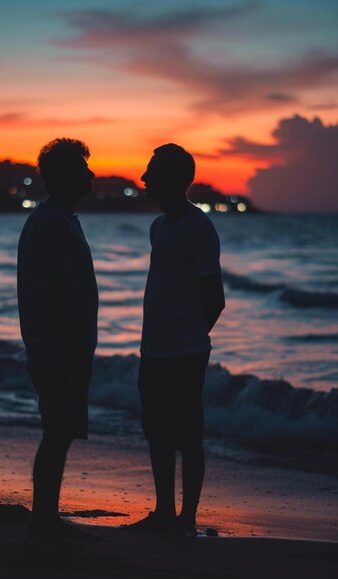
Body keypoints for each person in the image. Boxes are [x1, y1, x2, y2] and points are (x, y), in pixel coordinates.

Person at [129, 144, 225, 536]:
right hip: (153, 348)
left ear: (170, 178)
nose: (143, 178)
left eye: (150, 171)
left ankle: (187, 518)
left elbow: (214, 297)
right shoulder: (158, 227)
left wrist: (190, 334)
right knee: (157, 431)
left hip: (185, 350)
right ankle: (164, 511)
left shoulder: (198, 227)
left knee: (188, 433)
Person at [17, 138, 99, 547]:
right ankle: (43, 522)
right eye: (84, 169)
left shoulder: (57, 219)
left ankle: (46, 518)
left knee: (59, 431)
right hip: (57, 349)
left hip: (58, 346)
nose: (92, 174)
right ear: (67, 176)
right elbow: (53, 292)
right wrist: (74, 347)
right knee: (56, 432)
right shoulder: (51, 222)